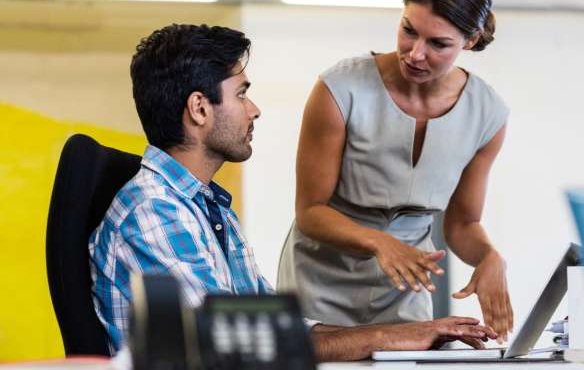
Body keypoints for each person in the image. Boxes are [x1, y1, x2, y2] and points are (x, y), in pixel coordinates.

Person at [88, 23, 496, 361]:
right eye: (242, 94)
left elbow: (270, 327)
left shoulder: (207, 208)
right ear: (199, 108)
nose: (255, 110)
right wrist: (387, 338)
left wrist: (399, 335)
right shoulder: (155, 212)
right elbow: (231, 347)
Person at [278, 0, 513, 343]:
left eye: (438, 43)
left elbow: (463, 223)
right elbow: (311, 212)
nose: (416, 53)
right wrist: (379, 241)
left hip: (406, 282)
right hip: (321, 280)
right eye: (408, 30)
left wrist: (488, 258)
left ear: (470, 40)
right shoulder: (340, 89)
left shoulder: (487, 113)